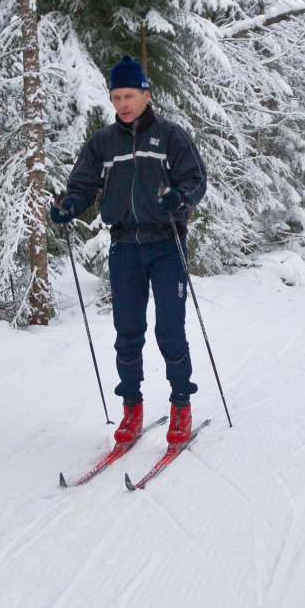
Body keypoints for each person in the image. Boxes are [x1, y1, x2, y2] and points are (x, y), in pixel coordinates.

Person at [49, 55, 207, 448]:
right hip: (124, 246)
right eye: (117, 96)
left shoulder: (171, 136)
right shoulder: (103, 143)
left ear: (146, 93)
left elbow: (195, 179)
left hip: (166, 243)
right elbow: (83, 184)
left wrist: (180, 198)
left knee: (170, 329)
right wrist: (71, 204)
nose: (123, 104)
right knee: (128, 332)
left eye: (130, 95)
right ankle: (132, 408)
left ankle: (181, 404)